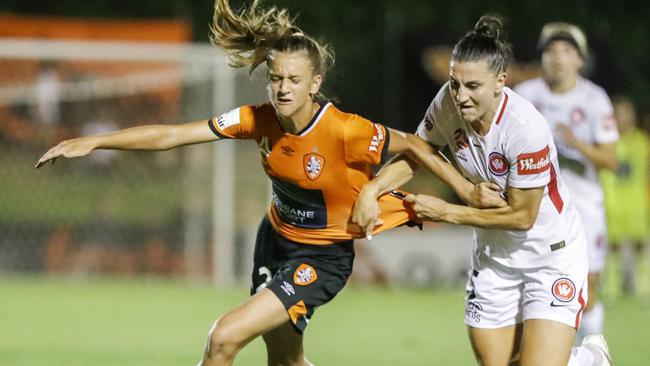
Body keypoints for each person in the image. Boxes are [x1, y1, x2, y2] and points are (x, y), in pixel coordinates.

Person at [36, 1, 498, 365]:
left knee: (223, 339)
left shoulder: (344, 130)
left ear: (315, 83)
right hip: (274, 241)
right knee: (285, 361)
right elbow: (175, 135)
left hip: (322, 258)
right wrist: (94, 141)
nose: (281, 88)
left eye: (294, 80)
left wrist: (462, 188)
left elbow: (417, 146)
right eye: (275, 78)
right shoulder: (256, 119)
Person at [353, 15, 612, 366]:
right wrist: (372, 189)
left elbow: (522, 217)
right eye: (454, 83)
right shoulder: (448, 100)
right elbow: (418, 151)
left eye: (472, 86)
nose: (460, 96)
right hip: (494, 260)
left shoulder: (525, 127)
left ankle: (589, 359)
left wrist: (446, 212)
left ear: (500, 82)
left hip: (550, 257)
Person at [514, 22, 619, 341]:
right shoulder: (525, 95)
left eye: (566, 51)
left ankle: (591, 350)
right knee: (529, 288)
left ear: (579, 59)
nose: (558, 57)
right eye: (550, 51)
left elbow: (611, 159)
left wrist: (576, 144)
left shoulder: (595, 99)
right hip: (537, 206)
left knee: (587, 285)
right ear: (542, 58)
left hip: (584, 205)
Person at [600, 96, 649, 296]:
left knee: (640, 245)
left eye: (625, 113)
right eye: (617, 113)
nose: (621, 118)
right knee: (612, 247)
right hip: (612, 203)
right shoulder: (606, 142)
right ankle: (612, 289)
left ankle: (642, 288)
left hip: (636, 203)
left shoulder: (642, 142)